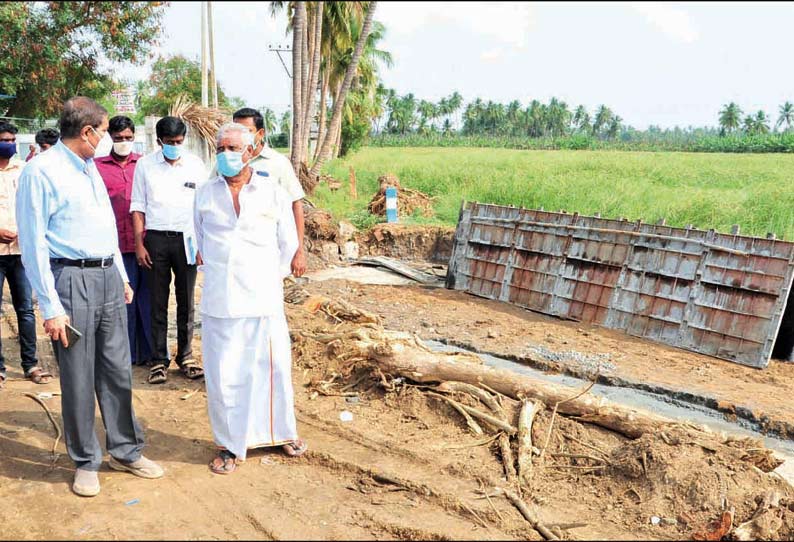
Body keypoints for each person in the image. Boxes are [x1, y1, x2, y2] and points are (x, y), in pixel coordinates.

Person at [16, 96, 163, 497]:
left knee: (117, 369)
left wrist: (119, 274)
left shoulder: (89, 169)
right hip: (71, 281)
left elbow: (104, 230)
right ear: (86, 132)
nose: (106, 138)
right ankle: (85, 460)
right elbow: (33, 244)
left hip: (106, 281)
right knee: (78, 376)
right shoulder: (41, 172)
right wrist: (50, 306)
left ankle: (126, 450)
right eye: (102, 131)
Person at [195, 123, 307, 475]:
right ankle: (230, 445)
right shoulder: (204, 193)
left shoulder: (271, 191)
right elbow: (198, 241)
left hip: (262, 298)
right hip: (221, 299)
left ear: (250, 151)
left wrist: (266, 278)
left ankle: (280, 432)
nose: (227, 154)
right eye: (221, 148)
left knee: (272, 367)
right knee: (224, 373)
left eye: (234, 147)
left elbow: (287, 242)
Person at [131, 116, 205, 385]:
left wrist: (202, 244)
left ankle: (186, 357)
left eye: (178, 141)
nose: (175, 146)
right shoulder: (145, 166)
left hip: (187, 241)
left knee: (186, 301)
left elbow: (204, 207)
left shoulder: (196, 165)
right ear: (159, 141)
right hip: (156, 240)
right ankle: (159, 360)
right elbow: (138, 206)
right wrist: (140, 244)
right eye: (169, 142)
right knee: (158, 302)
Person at [95, 116, 152, 366]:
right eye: (119, 138)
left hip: (146, 244)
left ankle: (151, 353)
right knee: (123, 303)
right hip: (115, 246)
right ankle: (126, 354)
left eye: (128, 138)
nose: (124, 142)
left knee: (149, 301)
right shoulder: (97, 167)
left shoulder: (145, 165)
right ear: (110, 138)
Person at [0, 121, 49, 389]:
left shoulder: (25, 170)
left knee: (26, 311)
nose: (8, 143)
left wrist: (24, 232)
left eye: (11, 138)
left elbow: (33, 207)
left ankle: (30, 363)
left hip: (21, 253)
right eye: (3, 139)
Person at [232, 107, 307, 277]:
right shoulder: (227, 163)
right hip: (234, 252)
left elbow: (296, 204)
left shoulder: (278, 163)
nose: (241, 136)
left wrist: (299, 250)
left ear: (260, 133)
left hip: (268, 249)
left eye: (247, 131)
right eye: (237, 131)